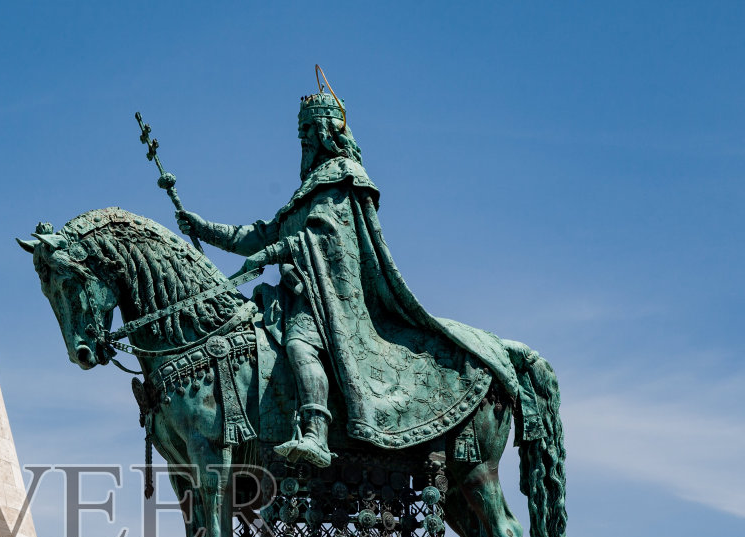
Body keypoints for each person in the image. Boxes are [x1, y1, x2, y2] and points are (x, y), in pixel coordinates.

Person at [178, 72, 520, 469]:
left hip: (332, 300)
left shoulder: (343, 179)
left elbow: (325, 239)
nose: (302, 138)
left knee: (299, 346)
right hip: (297, 292)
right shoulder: (306, 189)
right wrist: (202, 227)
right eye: (299, 130)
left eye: (308, 129)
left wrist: (271, 254)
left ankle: (315, 434)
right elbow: (259, 234)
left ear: (326, 131)